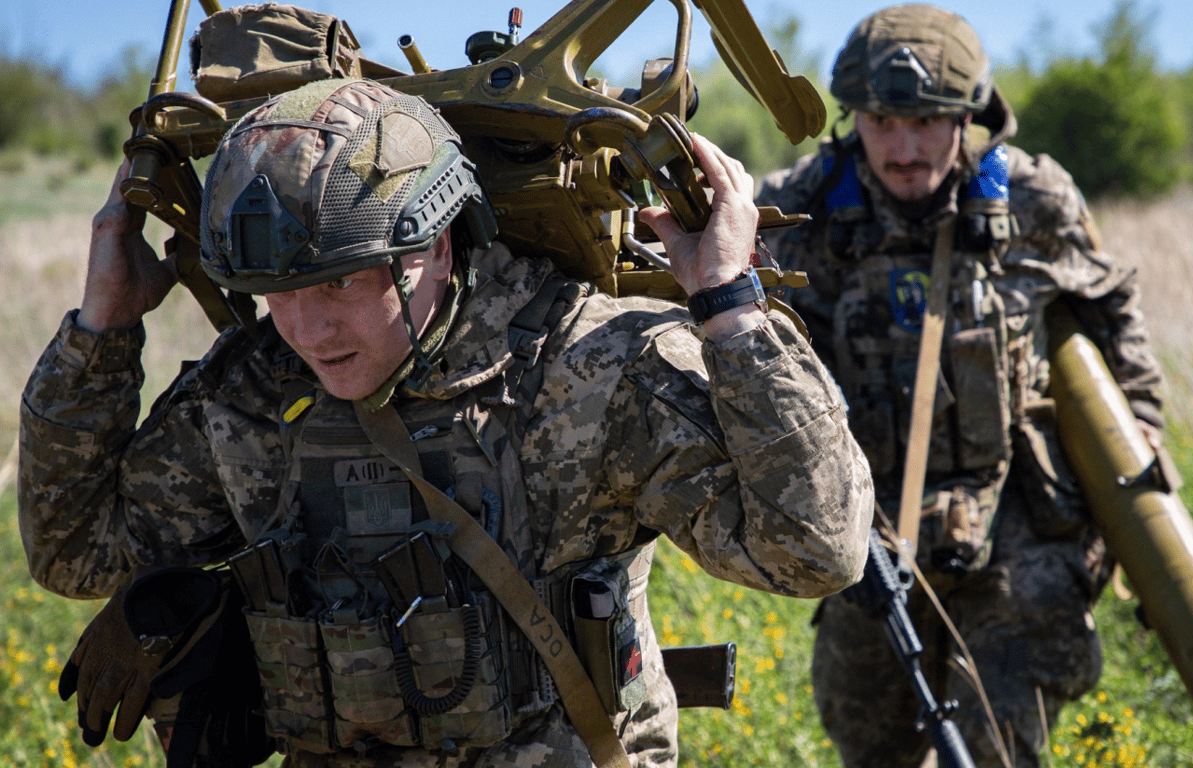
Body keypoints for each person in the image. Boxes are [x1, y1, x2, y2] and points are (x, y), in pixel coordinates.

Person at [19, 78, 875, 768]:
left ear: (432, 244)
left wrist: (728, 307)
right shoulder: (249, 394)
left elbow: (816, 549)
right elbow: (76, 552)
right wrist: (103, 329)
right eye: (274, 295)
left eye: (338, 284)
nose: (307, 330)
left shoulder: (592, 367)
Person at [754, 5, 1166, 768]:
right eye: (881, 120)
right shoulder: (795, 213)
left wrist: (1139, 416)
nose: (905, 148)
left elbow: (1110, 304)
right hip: (869, 527)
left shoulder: (1035, 201)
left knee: (999, 742)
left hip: (1015, 518)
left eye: (928, 121)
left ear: (967, 117)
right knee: (868, 736)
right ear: (853, 118)